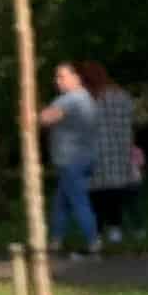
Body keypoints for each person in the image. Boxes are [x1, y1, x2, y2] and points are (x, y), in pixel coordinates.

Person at [38, 61, 100, 256]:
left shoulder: (70, 100)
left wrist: (32, 112)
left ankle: (93, 241)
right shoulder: (86, 99)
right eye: (56, 77)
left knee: (78, 200)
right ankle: (56, 241)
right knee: (61, 203)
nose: (57, 81)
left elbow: (45, 119)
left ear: (76, 78)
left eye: (61, 76)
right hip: (83, 157)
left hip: (71, 160)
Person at [80, 59, 143, 244]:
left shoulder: (88, 99)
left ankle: (98, 231)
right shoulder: (122, 96)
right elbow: (131, 121)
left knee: (97, 195)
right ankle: (116, 229)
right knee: (115, 190)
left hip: (96, 150)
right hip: (119, 149)